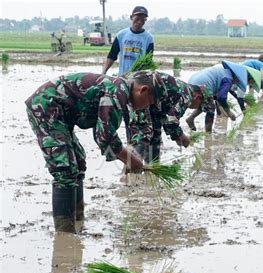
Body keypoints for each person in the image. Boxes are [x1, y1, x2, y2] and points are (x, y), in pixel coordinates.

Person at [25, 72, 157, 233]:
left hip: (62, 115)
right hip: (46, 107)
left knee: (78, 162)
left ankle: (77, 220)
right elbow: (105, 136)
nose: (146, 107)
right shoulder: (117, 91)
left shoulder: (120, 90)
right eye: (149, 102)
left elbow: (101, 130)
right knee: (64, 169)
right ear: (142, 90)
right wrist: (131, 160)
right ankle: (65, 235)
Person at [127, 70, 215, 163]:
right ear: (197, 97)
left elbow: (166, 117)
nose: (195, 108)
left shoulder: (182, 89)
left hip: (151, 105)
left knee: (155, 135)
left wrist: (176, 136)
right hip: (141, 94)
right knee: (142, 136)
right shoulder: (186, 96)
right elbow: (172, 121)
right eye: (200, 105)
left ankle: (153, 168)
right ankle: (130, 168)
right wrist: (181, 136)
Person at [185, 60, 255, 132]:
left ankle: (190, 118)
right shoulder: (228, 78)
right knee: (211, 109)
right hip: (203, 85)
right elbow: (221, 97)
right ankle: (208, 134)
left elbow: (222, 93)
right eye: (237, 81)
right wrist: (229, 112)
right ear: (237, 77)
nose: (236, 83)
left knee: (205, 102)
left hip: (193, 81)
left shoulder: (225, 72)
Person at [102, 6, 154, 75]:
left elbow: (148, 61)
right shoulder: (121, 35)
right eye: (137, 18)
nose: (139, 22)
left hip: (138, 80)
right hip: (122, 77)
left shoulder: (148, 38)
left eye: (142, 20)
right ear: (131, 17)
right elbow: (112, 56)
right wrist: (103, 72)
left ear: (145, 21)